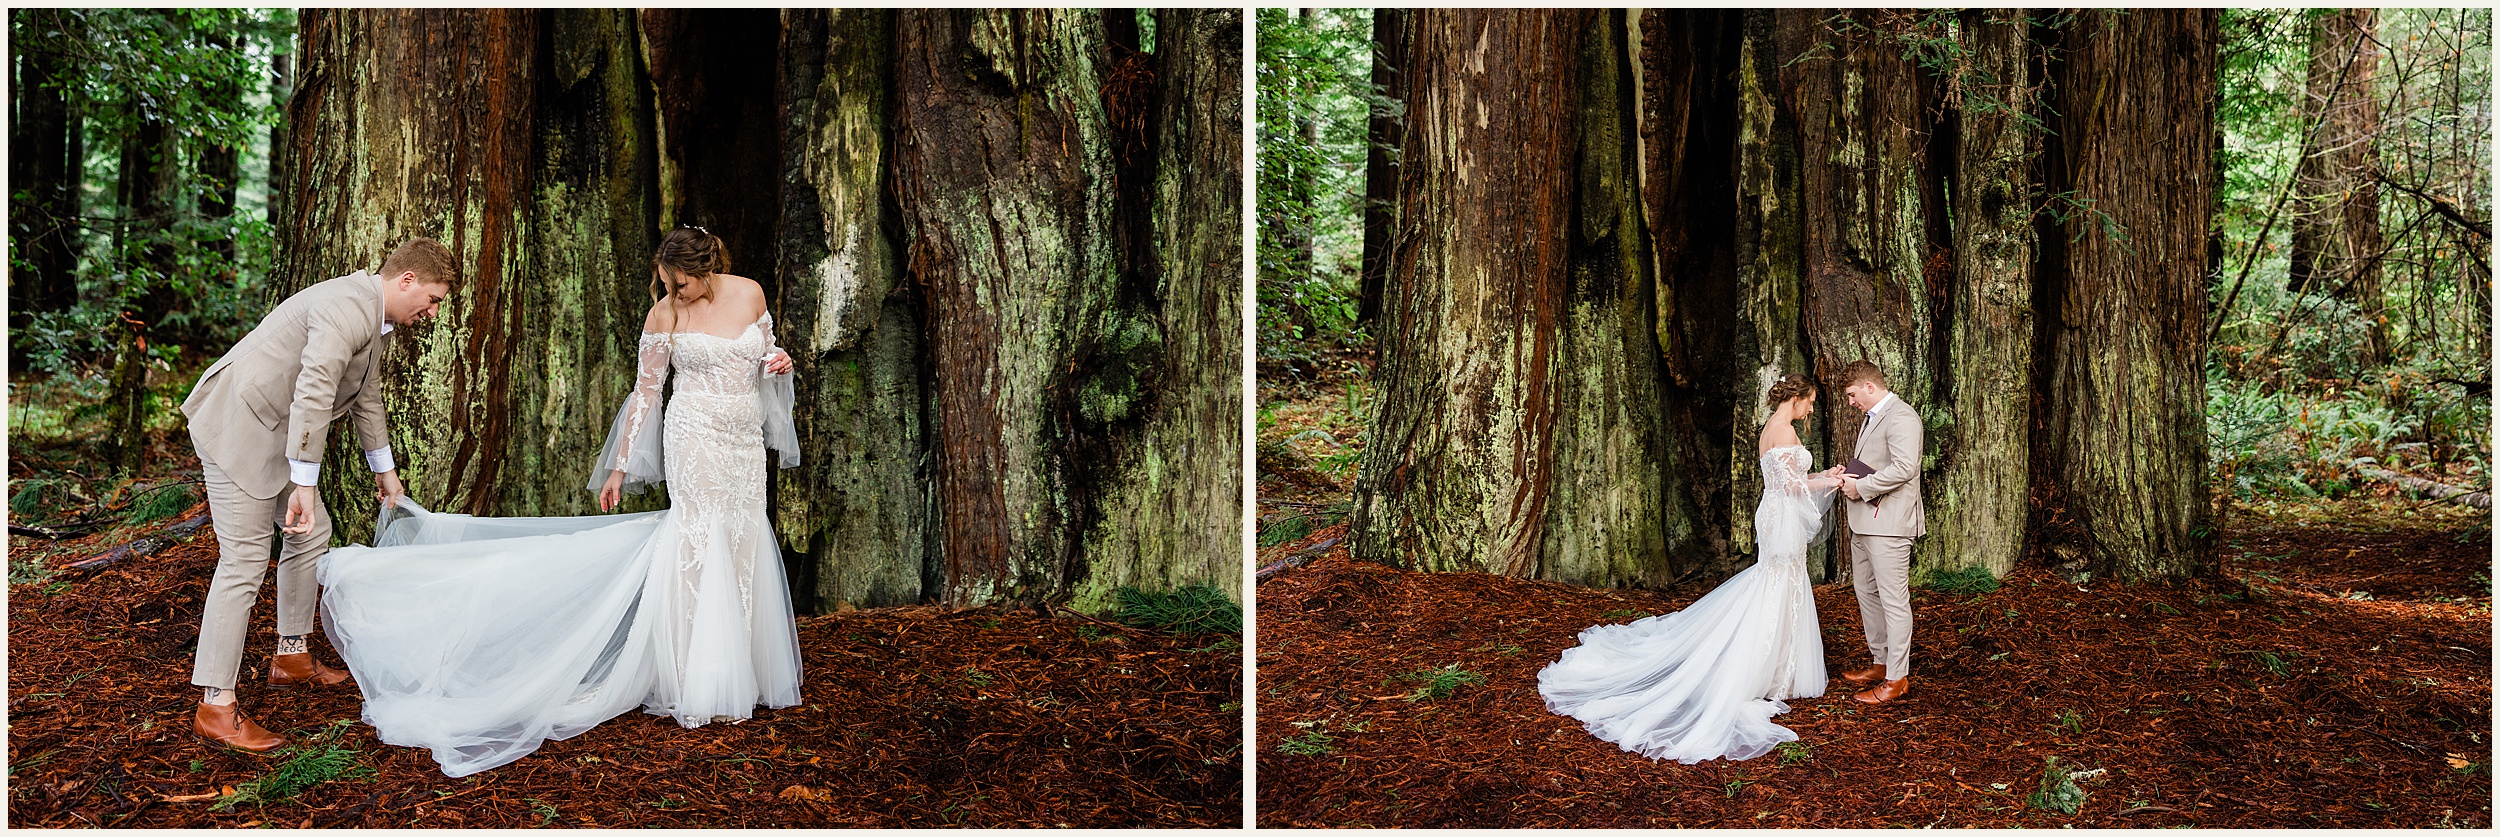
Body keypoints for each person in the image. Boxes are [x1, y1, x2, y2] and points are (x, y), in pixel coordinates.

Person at [317, 226, 805, 777]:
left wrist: (778, 360)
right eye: (667, 283)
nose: (674, 292)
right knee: (698, 540)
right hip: (693, 439)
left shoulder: (750, 293)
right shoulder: (665, 314)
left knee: (742, 537)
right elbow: (647, 390)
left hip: (742, 440)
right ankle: (698, 674)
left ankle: (745, 669)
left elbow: (766, 354)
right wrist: (620, 464)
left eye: (682, 283)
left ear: (707, 269)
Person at [180, 238, 456, 753]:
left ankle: (290, 655)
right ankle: (216, 706)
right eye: (434, 299)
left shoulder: (374, 317)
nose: (433, 311)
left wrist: (386, 472)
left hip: (278, 433)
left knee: (314, 534)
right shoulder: (345, 310)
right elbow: (313, 392)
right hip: (237, 428)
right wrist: (304, 483)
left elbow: (365, 396)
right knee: (243, 562)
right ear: (407, 281)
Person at [1537, 374, 1840, 764]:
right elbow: (1792, 488)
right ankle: (1759, 668)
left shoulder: (1775, 427)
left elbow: (1792, 482)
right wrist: (1830, 482)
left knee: (1780, 583)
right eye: (1810, 401)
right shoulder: (1781, 432)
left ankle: (1779, 666)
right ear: (1796, 398)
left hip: (1778, 516)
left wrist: (1823, 477)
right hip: (1781, 517)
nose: (1812, 409)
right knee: (1777, 583)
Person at [1833, 359, 1925, 705]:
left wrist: (1863, 487)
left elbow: (1904, 467)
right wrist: (1852, 475)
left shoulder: (1902, 417)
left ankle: (1897, 679)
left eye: (1853, 394)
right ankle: (1881, 660)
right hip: (1865, 521)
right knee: (1866, 593)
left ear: (1870, 387)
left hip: (1889, 524)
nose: (1851, 402)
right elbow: (1881, 463)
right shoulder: (1873, 417)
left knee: (1893, 600)